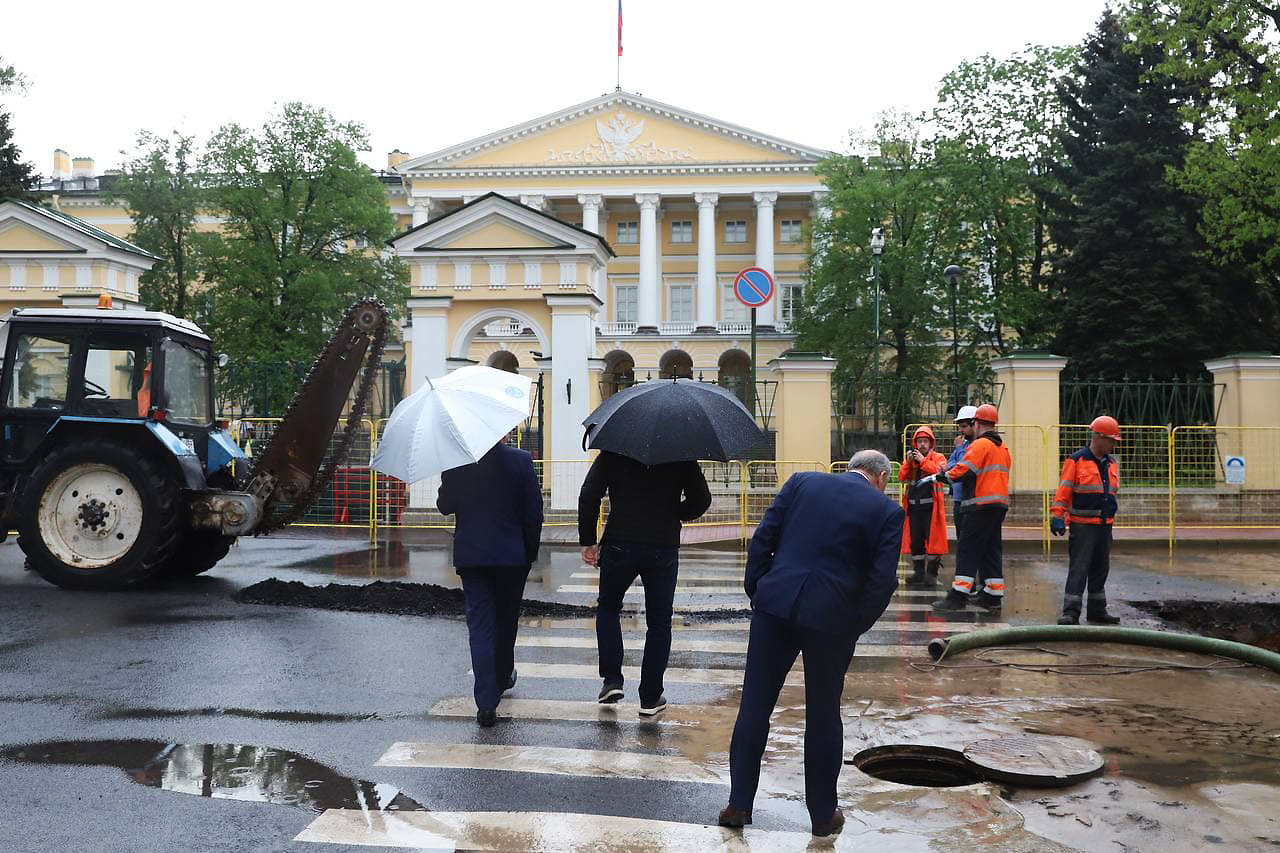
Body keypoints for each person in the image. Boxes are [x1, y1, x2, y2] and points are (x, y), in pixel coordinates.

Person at [717, 450, 902, 838]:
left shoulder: (802, 481)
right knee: (822, 715)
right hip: (832, 620)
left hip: (775, 605)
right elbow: (882, 581)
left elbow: (764, 537)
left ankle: (738, 804)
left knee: (754, 704)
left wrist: (759, 589)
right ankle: (821, 816)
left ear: (850, 468)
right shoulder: (887, 511)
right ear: (881, 477)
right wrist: (854, 624)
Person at [578, 450, 711, 717]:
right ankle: (650, 697)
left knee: (608, 609)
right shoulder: (681, 453)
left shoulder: (615, 449)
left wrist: (588, 540)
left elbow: (589, 494)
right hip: (662, 545)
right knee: (660, 622)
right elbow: (701, 500)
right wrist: (674, 512)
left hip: (620, 543)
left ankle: (612, 680)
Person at [437, 439, 543, 728]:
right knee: (506, 622)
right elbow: (533, 512)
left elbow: (444, 506)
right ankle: (503, 675)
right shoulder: (521, 461)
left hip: (472, 558)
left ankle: (486, 703)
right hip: (512, 558)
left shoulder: (457, 462)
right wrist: (528, 553)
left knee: (480, 627)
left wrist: (447, 480)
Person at [933, 403, 1011, 612]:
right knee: (990, 549)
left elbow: (964, 469)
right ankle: (992, 595)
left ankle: (957, 597)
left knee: (968, 549)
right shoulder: (1001, 447)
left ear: (977, 423)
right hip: (998, 505)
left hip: (980, 506)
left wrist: (944, 476)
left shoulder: (979, 445)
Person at [1052, 416, 1122, 625]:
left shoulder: (1111, 463)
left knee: (1101, 569)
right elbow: (1063, 490)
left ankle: (1097, 611)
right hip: (1082, 525)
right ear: (1098, 437)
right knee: (1079, 568)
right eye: (1111, 441)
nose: (1112, 445)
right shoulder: (1076, 460)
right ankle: (1070, 612)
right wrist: (1057, 515)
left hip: (1104, 524)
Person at [900, 425, 948, 588]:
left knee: (933, 541)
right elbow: (902, 476)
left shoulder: (939, 457)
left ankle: (932, 574)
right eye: (919, 441)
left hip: (931, 509)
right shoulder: (911, 460)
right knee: (916, 542)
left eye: (925, 441)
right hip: (914, 509)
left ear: (930, 443)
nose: (922, 445)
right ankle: (919, 572)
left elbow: (939, 473)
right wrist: (908, 463)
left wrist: (922, 460)